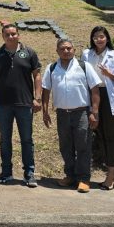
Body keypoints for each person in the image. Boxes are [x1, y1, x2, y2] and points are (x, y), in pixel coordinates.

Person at [42, 39, 101, 193]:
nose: (66, 51)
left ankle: (83, 179)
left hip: (81, 112)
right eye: (62, 49)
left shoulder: (84, 66)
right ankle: (70, 176)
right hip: (62, 113)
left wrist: (94, 112)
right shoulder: (52, 68)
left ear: (74, 50)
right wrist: (45, 111)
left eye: (69, 48)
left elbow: (95, 90)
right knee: (65, 146)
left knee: (83, 145)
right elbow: (46, 91)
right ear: (57, 51)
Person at [0, 23, 42, 186]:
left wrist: (37, 98)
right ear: (2, 36)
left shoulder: (29, 52)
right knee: (5, 140)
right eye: (7, 34)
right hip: (3, 104)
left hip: (25, 104)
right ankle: (6, 172)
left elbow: (37, 76)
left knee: (26, 139)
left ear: (18, 35)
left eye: (13, 34)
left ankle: (29, 173)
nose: (11, 37)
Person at [80, 26, 114, 190]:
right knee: (98, 133)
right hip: (91, 94)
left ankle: (112, 174)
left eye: (101, 37)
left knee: (111, 135)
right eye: (95, 37)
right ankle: (104, 172)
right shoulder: (86, 54)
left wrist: (109, 74)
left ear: (107, 38)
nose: (98, 40)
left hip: (108, 95)